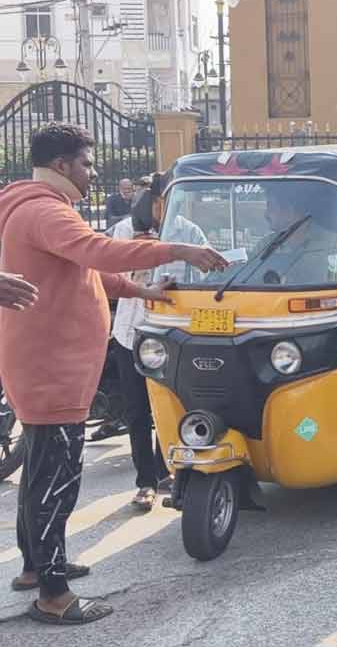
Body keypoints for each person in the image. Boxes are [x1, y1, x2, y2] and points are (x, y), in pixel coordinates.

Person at [0, 123, 226, 626]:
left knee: (41, 473)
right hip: (52, 368)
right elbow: (100, 252)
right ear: (61, 165)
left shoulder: (30, 205)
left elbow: (87, 271)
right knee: (57, 479)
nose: (93, 171)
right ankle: (54, 597)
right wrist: (179, 250)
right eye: (86, 162)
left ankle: (37, 570)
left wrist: (143, 292)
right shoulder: (44, 210)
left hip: (42, 364)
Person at [108, 175, 210, 510]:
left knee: (168, 406)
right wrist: (137, 274)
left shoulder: (190, 232)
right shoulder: (125, 231)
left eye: (167, 199)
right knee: (136, 411)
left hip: (171, 336)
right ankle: (145, 482)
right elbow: (112, 278)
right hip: (131, 332)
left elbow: (206, 275)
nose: (159, 207)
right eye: (153, 200)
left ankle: (165, 468)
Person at [248, 182, 337, 286]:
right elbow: (248, 278)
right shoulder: (264, 246)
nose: (266, 214)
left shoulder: (335, 243)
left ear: (289, 211)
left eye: (271, 207)